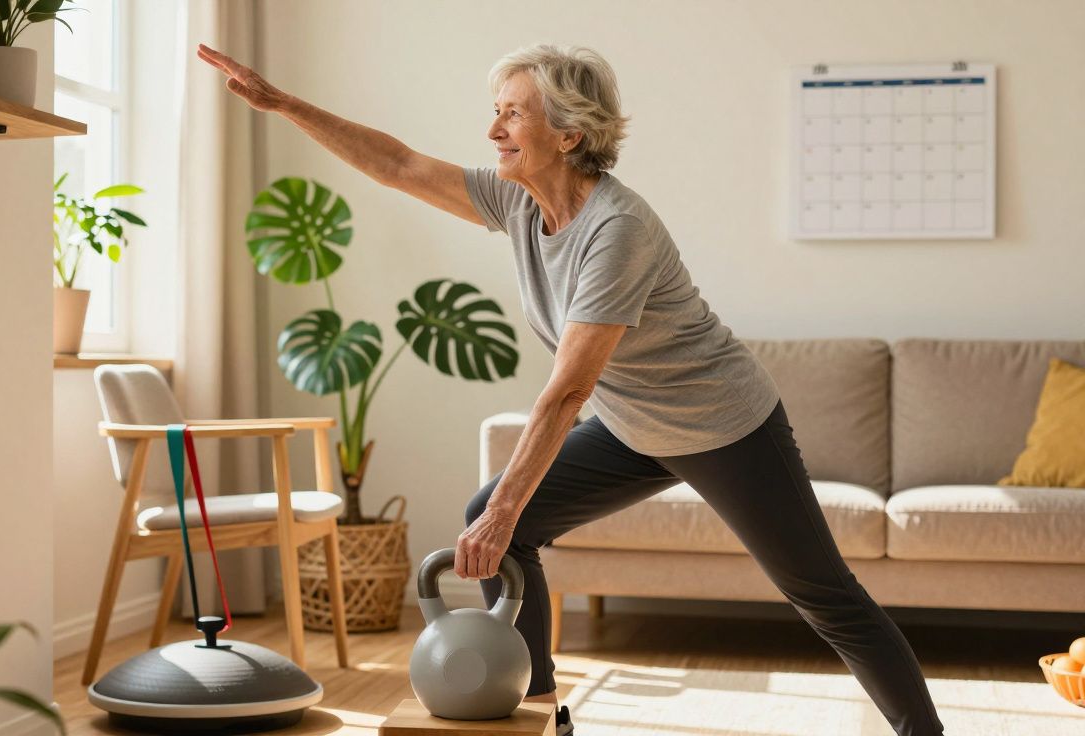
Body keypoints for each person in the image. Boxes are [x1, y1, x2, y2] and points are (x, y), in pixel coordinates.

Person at [196, 41, 946, 736]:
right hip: (632, 427)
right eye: (497, 110)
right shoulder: (519, 202)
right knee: (501, 524)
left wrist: (501, 511)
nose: (493, 129)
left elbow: (567, 390)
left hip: (722, 425)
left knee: (825, 598)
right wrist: (287, 105)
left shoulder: (618, 229)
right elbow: (397, 164)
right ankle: (540, 709)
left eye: (512, 112)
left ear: (568, 135)